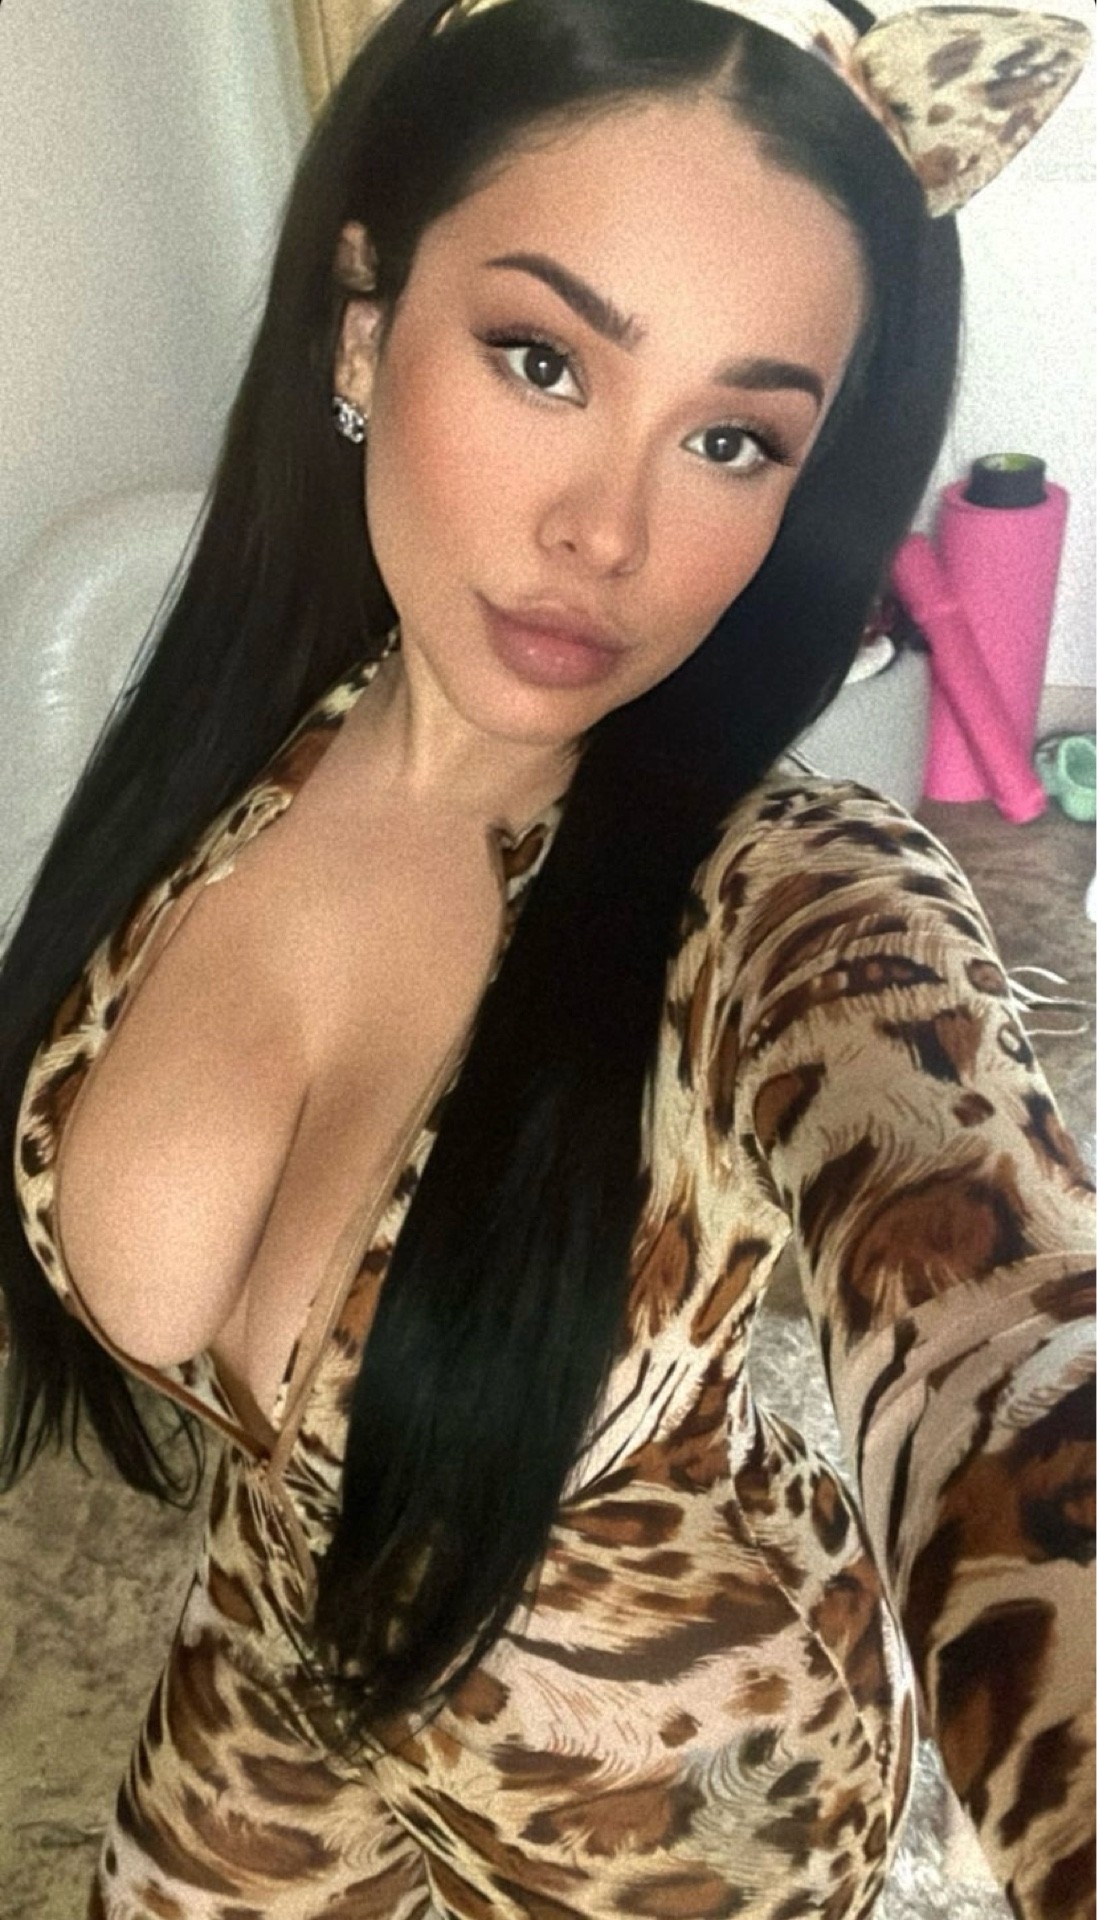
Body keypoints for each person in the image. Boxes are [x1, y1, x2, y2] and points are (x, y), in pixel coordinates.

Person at [1, 0, 1093, 1913]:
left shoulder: (798, 903)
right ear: (363, 325)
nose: (607, 530)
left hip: (667, 1787)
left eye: (733, 438)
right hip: (278, 1638)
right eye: (541, 359)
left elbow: (1003, 1340)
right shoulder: (242, 744)